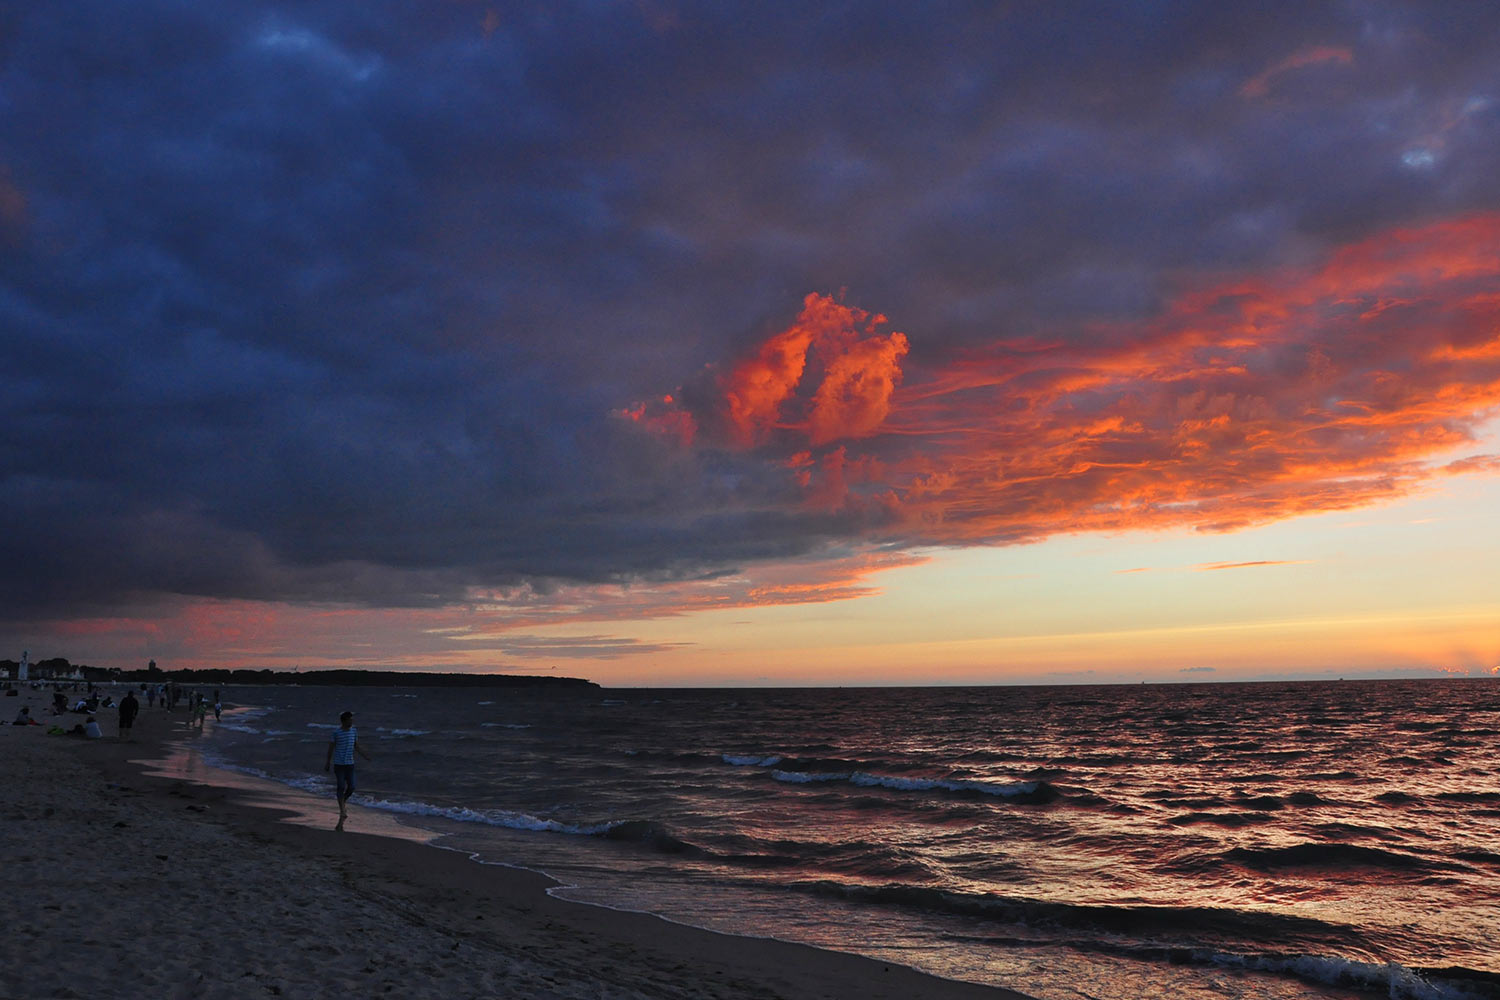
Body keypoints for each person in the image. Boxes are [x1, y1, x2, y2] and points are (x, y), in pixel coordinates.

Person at [323, 711, 371, 829]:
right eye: (350, 720)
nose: (352, 721)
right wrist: (328, 762)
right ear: (344, 721)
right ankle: (342, 810)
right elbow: (331, 748)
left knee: (352, 787)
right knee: (340, 786)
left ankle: (343, 801)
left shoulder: (354, 731)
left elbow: (356, 746)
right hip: (339, 765)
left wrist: (365, 755)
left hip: (350, 764)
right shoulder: (336, 733)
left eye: (352, 719)